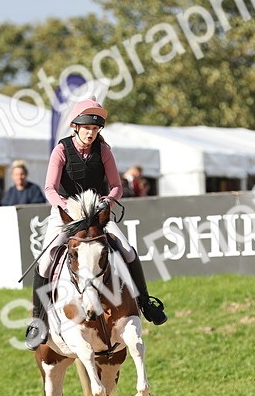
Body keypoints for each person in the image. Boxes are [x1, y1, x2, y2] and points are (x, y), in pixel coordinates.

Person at [23, 97, 168, 350]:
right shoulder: (61, 150)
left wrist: (107, 202)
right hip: (66, 215)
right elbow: (50, 188)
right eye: (87, 128)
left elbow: (116, 187)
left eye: (95, 129)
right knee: (45, 261)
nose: (91, 133)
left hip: (97, 215)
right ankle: (39, 320)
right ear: (76, 128)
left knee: (127, 250)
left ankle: (145, 302)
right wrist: (66, 205)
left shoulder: (104, 150)